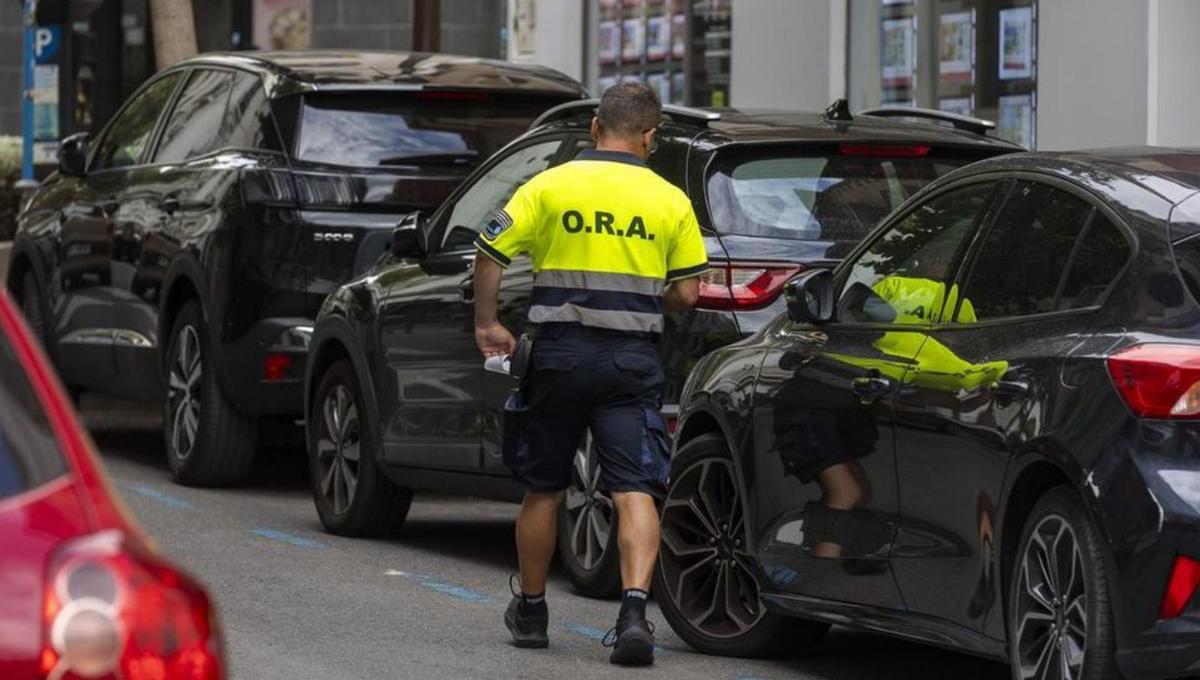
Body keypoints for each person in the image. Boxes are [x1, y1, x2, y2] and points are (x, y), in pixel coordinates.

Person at [471, 82, 707, 666]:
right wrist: (652, 302)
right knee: (634, 487)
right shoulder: (669, 199)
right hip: (631, 361)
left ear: (595, 127)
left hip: (558, 355)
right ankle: (632, 612)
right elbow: (687, 291)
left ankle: (530, 610)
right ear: (650, 137)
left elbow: (488, 250)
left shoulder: (548, 185)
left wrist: (487, 325)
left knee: (544, 487)